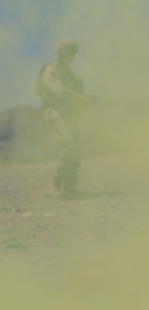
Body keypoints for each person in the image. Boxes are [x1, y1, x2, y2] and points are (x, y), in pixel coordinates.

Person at [35, 37, 96, 197]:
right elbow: (60, 91)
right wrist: (81, 98)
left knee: (76, 151)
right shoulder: (50, 71)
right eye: (70, 53)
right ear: (61, 52)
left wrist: (86, 99)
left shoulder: (69, 71)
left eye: (73, 54)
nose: (72, 57)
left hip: (70, 114)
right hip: (55, 113)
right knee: (69, 147)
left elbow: (73, 92)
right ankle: (56, 182)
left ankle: (69, 187)